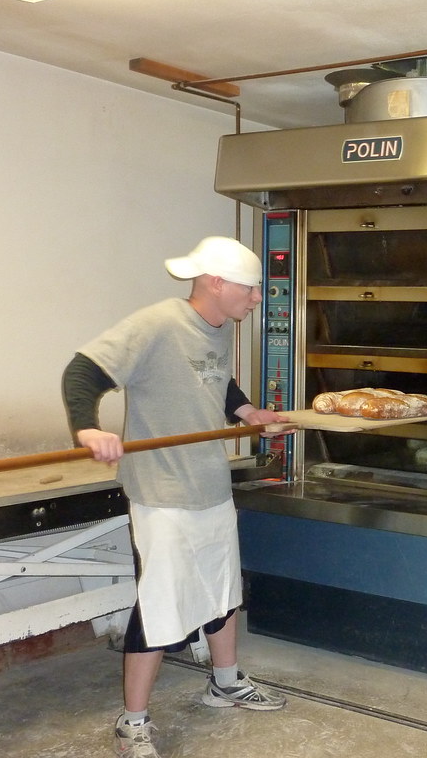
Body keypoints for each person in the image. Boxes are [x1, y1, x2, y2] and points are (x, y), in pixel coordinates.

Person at [62, 236, 292, 758]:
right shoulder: (158, 324)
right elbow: (83, 370)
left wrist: (248, 413)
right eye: (251, 289)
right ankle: (133, 721)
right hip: (163, 491)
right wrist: (87, 429)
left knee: (222, 588)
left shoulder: (219, 326)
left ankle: (225, 683)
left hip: (209, 481)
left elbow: (215, 378)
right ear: (216, 282)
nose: (257, 299)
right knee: (161, 605)